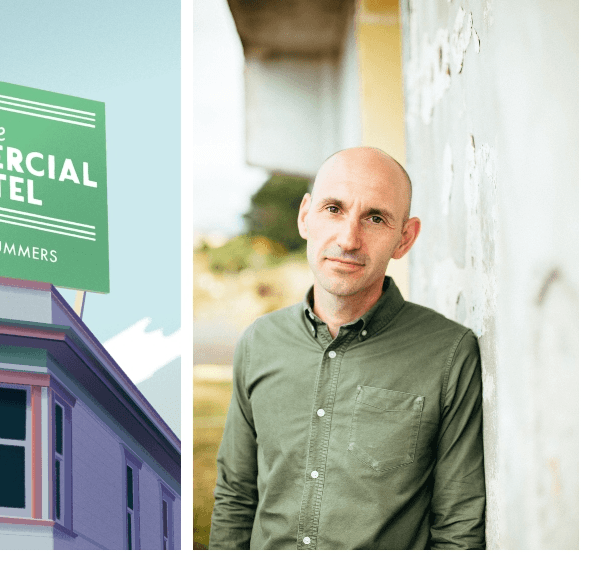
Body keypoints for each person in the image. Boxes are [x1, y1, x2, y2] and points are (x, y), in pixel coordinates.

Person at [208, 147, 486, 550]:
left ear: (404, 238)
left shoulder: (448, 354)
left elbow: (458, 525)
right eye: (333, 209)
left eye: (375, 218)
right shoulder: (258, 343)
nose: (349, 238)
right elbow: (235, 497)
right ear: (306, 216)